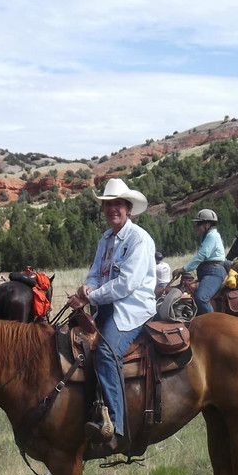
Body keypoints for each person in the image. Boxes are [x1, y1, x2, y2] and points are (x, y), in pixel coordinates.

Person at [68, 178, 156, 459]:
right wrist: (86, 287)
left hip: (131, 309)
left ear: (128, 208)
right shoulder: (105, 239)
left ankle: (116, 428)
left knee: (106, 353)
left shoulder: (138, 239)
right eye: (108, 205)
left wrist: (90, 297)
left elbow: (127, 284)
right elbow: (96, 273)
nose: (112, 209)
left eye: (117, 204)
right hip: (104, 306)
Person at [181, 209, 226, 314]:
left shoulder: (212, 236)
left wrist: (184, 269)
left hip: (213, 273)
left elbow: (202, 255)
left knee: (201, 297)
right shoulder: (208, 236)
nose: (197, 227)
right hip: (208, 272)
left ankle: (213, 324)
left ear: (207, 224)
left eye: (199, 224)